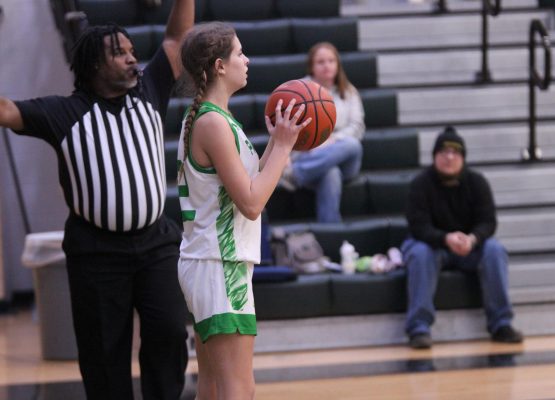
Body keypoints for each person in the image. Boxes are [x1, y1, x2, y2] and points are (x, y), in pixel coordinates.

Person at [0, 1, 194, 398]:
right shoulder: (62, 113)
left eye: (132, 52)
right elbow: (5, 111)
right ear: (92, 66)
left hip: (156, 243)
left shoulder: (151, 89)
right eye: (119, 53)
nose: (131, 59)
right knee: (103, 355)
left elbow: (176, 39)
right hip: (97, 252)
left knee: (170, 331)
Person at [176, 22, 310, 399]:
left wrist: (278, 144)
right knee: (239, 389)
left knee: (215, 387)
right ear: (219, 66)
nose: (246, 60)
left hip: (210, 260)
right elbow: (251, 203)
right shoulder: (213, 123)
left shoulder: (212, 117)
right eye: (239, 53)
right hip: (220, 263)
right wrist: (282, 148)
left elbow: (242, 185)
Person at [401, 126, 523, 349]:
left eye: (455, 153)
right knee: (418, 252)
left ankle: (501, 324)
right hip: (432, 245)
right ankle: (419, 328)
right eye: (444, 152)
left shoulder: (477, 182)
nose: (449, 157)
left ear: (463, 158)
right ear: (434, 156)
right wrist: (446, 238)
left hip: (469, 247)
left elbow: (489, 222)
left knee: (495, 250)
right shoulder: (420, 183)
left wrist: (473, 239)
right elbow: (419, 227)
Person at [279, 41, 366, 223]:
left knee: (352, 144)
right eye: (321, 62)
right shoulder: (300, 91)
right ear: (312, 66)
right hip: (308, 154)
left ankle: (296, 175)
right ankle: (331, 235)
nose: (327, 65)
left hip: (345, 160)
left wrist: (332, 140)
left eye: (330, 61)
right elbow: (288, 125)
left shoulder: (349, 91)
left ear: (337, 64)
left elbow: (357, 127)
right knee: (330, 173)